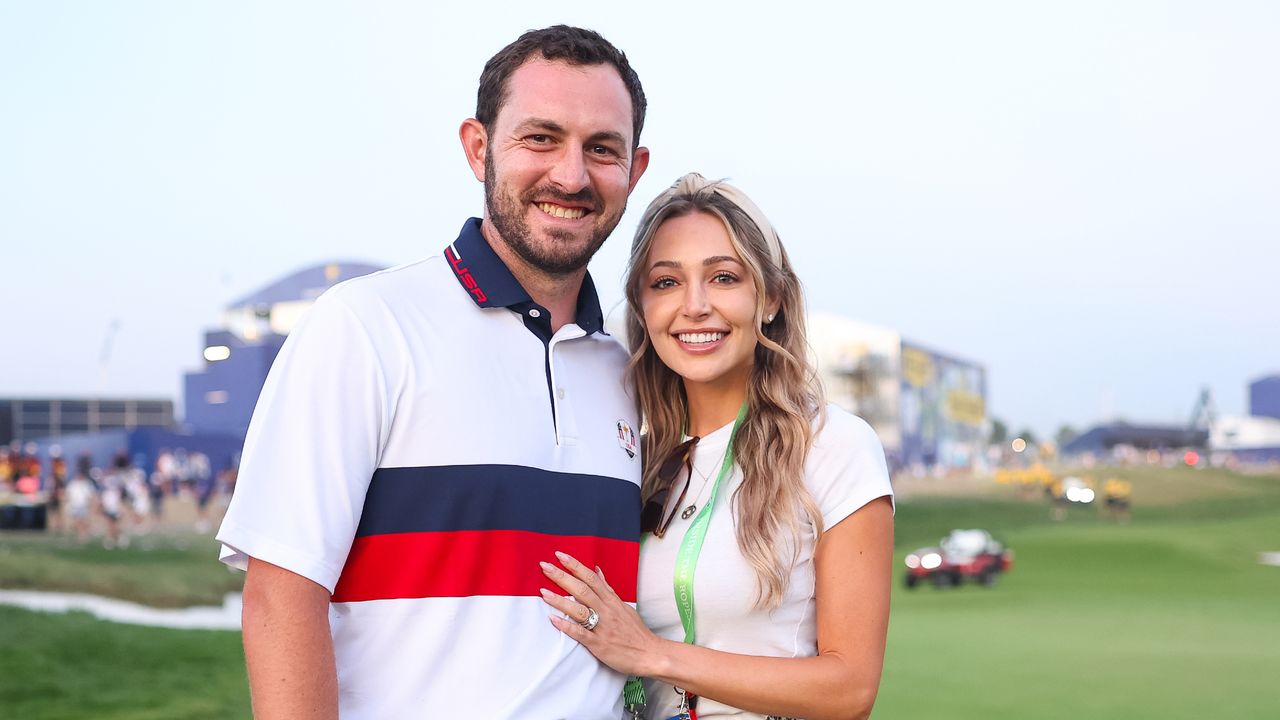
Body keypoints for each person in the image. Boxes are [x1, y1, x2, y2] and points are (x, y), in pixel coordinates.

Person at [215, 25, 650, 719]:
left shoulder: (632, 371)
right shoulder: (364, 327)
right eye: (540, 138)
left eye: (601, 148)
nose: (571, 175)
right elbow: (280, 599)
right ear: (478, 148)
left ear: (636, 168)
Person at [539, 174, 894, 720]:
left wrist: (654, 655)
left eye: (724, 277)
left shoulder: (832, 445)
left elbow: (849, 690)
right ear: (642, 305)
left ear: (770, 297)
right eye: (666, 283)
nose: (695, 306)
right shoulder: (640, 461)